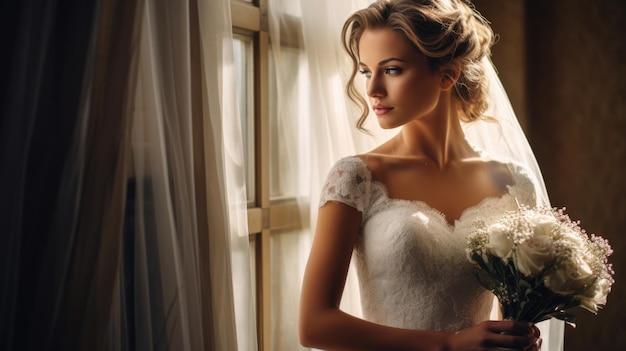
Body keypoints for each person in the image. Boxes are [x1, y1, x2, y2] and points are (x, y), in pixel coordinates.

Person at [298, 0, 546, 350]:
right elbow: (314, 326)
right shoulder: (356, 177)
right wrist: (448, 344)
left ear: (448, 74)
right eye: (367, 71)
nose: (372, 90)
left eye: (393, 70)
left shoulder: (513, 184)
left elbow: (515, 319)